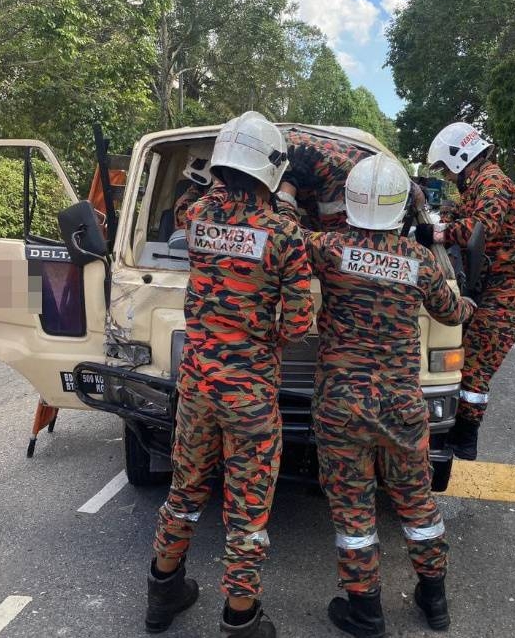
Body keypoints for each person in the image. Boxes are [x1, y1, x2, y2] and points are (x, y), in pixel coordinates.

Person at [275, 154, 475, 636]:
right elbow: (451, 314)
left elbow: (284, 239)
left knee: (352, 508)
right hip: (402, 406)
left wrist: (285, 196)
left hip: (342, 405)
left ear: (351, 201)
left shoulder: (329, 247)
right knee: (415, 501)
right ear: (399, 206)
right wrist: (470, 303)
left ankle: (364, 609)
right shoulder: (420, 260)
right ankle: (435, 598)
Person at [145, 111, 315, 637]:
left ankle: (162, 595)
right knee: (246, 508)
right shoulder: (285, 234)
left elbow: (190, 207)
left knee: (184, 492)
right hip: (250, 396)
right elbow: (302, 322)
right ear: (270, 169)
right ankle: (241, 619)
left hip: (196, 386)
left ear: (222, 163)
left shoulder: (197, 217)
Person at [414, 122, 515, 460]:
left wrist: (435, 234)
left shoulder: (493, 182)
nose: (448, 176)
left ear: (460, 157)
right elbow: (459, 214)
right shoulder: (477, 186)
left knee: (475, 364)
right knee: (468, 357)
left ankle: (464, 437)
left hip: (511, 290)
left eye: (446, 168)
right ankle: (458, 431)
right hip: (492, 285)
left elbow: (479, 227)